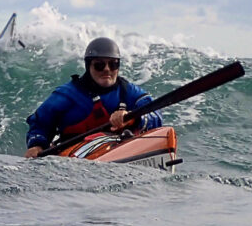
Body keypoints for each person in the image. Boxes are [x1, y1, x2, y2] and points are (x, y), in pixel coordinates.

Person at [25, 37, 162, 158]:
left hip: (118, 150)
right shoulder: (67, 94)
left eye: (113, 64)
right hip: (75, 156)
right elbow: (39, 123)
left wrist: (133, 118)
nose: (107, 69)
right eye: (99, 65)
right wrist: (37, 145)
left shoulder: (128, 92)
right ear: (88, 66)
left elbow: (155, 114)